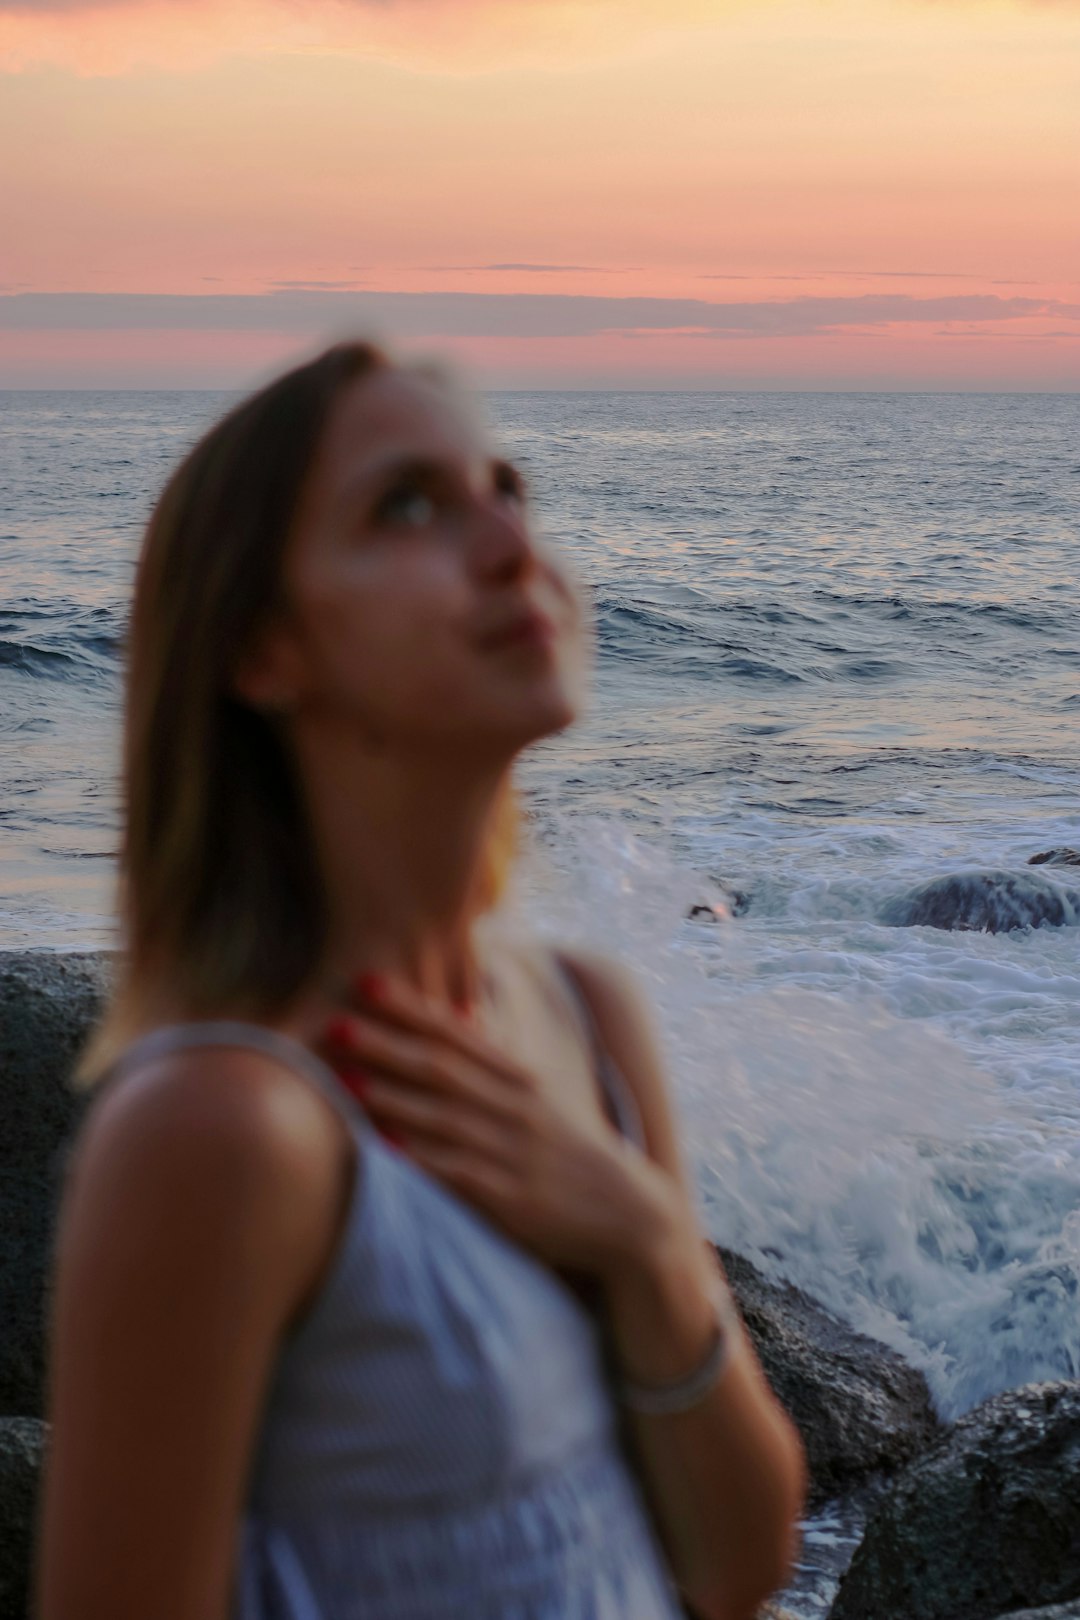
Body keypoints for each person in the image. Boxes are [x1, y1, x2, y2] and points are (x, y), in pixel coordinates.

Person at [36, 341, 805, 1620]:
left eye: (507, 489)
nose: (511, 543)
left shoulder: (587, 1021)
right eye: (408, 505)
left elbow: (738, 1567)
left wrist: (646, 1242)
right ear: (264, 649)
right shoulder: (221, 1131)